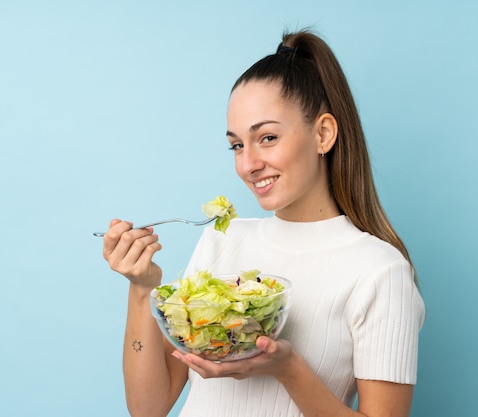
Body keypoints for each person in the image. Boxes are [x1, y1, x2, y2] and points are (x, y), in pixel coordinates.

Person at [101, 29, 425, 417]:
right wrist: (142, 288)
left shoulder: (379, 270)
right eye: (237, 145)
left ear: (323, 133)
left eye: (267, 137)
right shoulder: (223, 240)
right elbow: (147, 407)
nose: (248, 164)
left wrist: (287, 368)